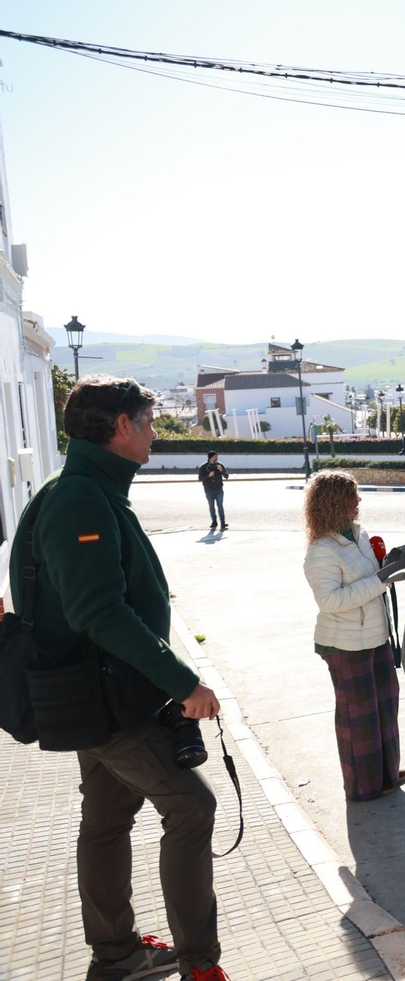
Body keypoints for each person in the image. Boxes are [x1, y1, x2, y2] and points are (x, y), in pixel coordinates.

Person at [7, 375, 229, 981]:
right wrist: (184, 683)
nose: (155, 433)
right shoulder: (80, 498)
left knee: (106, 820)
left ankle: (116, 954)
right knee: (191, 807)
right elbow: (98, 612)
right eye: (150, 423)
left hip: (96, 694)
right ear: (122, 427)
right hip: (106, 699)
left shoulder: (82, 489)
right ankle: (199, 965)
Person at [301, 470, 405, 802]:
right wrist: (380, 580)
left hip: (375, 636)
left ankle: (387, 772)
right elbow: (330, 601)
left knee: (385, 708)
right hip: (345, 645)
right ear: (334, 502)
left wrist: (389, 565)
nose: (358, 501)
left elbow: (373, 576)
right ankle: (363, 785)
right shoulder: (321, 551)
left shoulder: (359, 535)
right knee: (357, 718)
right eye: (352, 495)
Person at [197, 451, 228, 531]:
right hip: (208, 489)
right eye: (214, 456)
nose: (216, 458)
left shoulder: (219, 465)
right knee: (211, 506)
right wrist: (208, 475)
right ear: (210, 457)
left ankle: (223, 522)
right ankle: (214, 521)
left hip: (218, 489)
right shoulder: (203, 466)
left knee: (220, 506)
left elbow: (226, 476)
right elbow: (200, 478)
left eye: (216, 456)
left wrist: (221, 470)